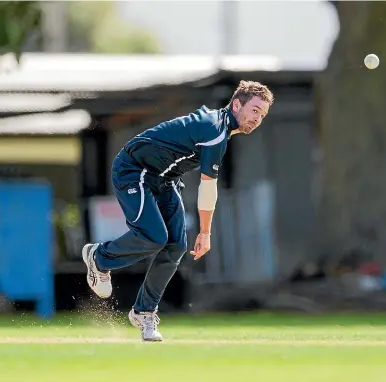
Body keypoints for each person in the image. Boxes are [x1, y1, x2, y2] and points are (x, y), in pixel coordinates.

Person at [82, 80, 274, 341]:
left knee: (175, 246)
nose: (257, 118)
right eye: (254, 110)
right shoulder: (215, 130)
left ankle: (144, 312)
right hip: (134, 170)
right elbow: (208, 188)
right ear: (236, 104)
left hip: (165, 179)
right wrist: (205, 233)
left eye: (262, 114)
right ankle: (98, 258)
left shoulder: (221, 129)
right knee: (153, 237)